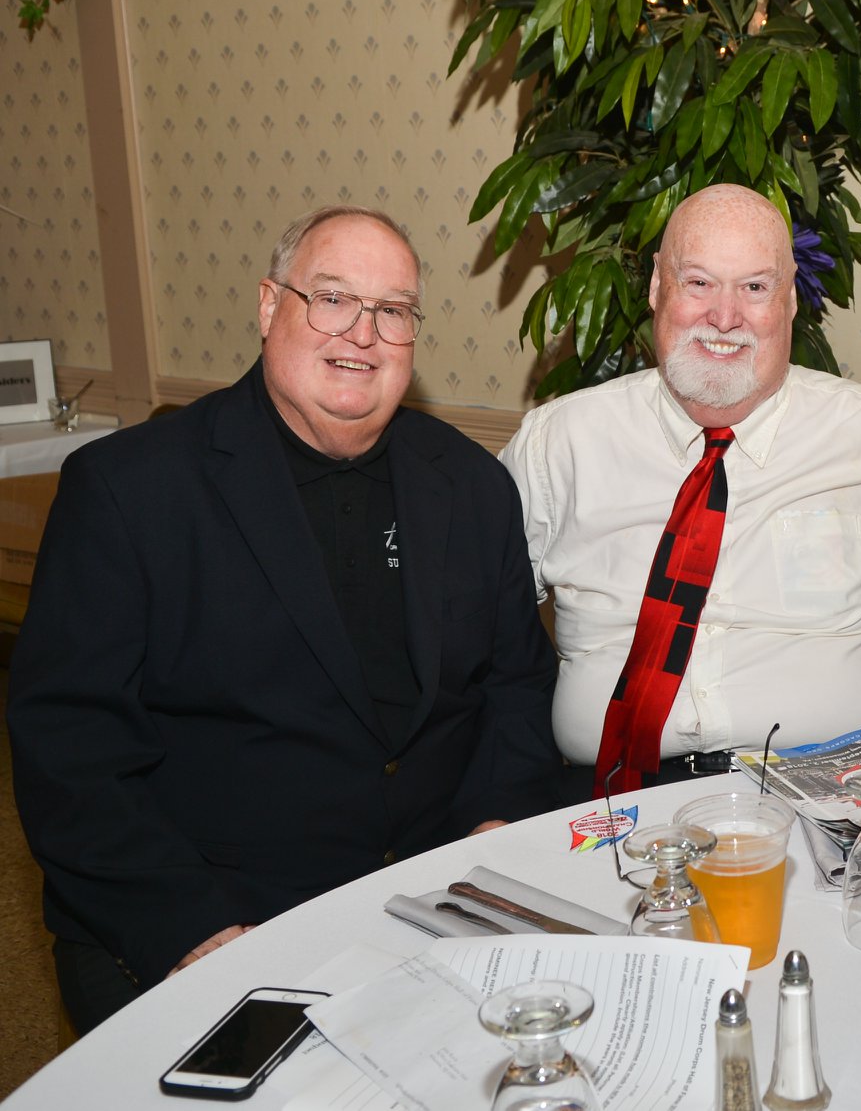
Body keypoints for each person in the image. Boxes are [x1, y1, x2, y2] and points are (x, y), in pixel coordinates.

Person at [8, 206, 565, 1033]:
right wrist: (197, 930)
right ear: (271, 306)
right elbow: (69, 749)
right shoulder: (130, 490)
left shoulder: (471, 483)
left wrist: (494, 830)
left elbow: (516, 685)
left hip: (431, 896)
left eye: (393, 310)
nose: (363, 333)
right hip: (214, 913)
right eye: (332, 299)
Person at [500, 184, 861, 798]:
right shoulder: (559, 444)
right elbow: (473, 631)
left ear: (790, 302)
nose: (724, 316)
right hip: (605, 805)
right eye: (698, 282)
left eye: (755, 287)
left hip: (835, 800)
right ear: (657, 288)